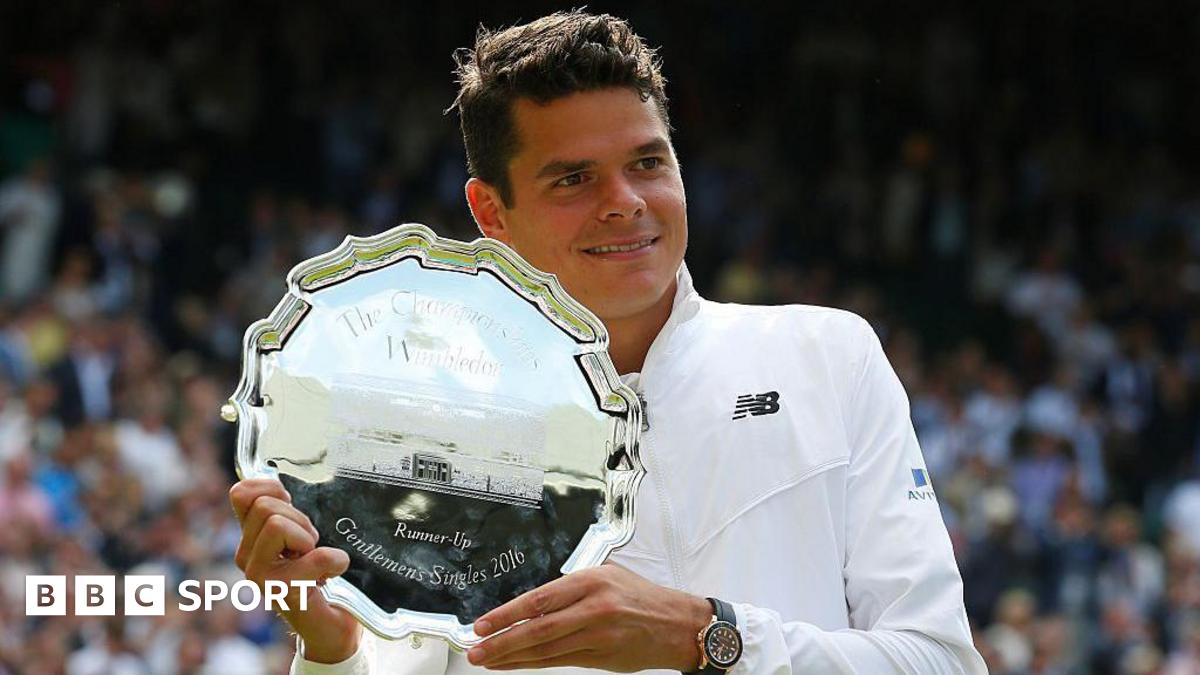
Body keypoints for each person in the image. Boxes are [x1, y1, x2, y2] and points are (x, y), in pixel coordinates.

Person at [229, 11, 988, 674]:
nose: (625, 204)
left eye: (647, 163)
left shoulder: (827, 356)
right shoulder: (424, 434)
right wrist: (330, 651)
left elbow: (941, 660)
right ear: (491, 212)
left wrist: (707, 636)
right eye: (573, 180)